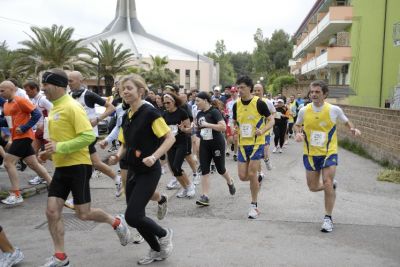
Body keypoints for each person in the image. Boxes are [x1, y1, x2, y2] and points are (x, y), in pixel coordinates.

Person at [38, 69, 130, 266]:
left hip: (78, 166)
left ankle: (115, 221)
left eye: (45, 85)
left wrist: (59, 147)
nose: (43, 89)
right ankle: (60, 256)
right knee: (52, 211)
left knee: (83, 214)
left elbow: (89, 137)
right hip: (61, 166)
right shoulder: (55, 107)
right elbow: (59, 139)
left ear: (55, 85)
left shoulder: (72, 107)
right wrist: (48, 152)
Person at [109, 74, 175, 265]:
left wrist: (154, 156)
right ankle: (156, 250)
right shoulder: (127, 114)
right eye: (123, 89)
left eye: (129, 88)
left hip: (149, 171)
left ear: (140, 91)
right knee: (135, 217)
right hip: (132, 170)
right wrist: (117, 156)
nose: (125, 91)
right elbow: (124, 142)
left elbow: (170, 138)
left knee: (132, 215)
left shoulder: (150, 113)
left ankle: (164, 234)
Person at [294, 80, 361, 233]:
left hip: (328, 152)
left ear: (325, 94)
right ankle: (331, 186)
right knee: (312, 187)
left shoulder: (334, 109)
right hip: (311, 153)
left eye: (317, 92)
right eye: (312, 92)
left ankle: (328, 218)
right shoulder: (304, 110)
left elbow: (346, 121)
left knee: (327, 181)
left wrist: (353, 129)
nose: (314, 94)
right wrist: (298, 133)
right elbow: (297, 124)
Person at [68, 71, 121, 199]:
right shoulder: (69, 95)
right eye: (67, 81)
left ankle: (78, 197)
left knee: (79, 165)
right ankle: (118, 180)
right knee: (96, 163)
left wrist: (97, 119)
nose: (69, 84)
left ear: (81, 81)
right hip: (75, 135)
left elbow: (111, 108)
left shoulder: (89, 95)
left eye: (71, 81)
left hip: (87, 135)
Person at [0, 81, 52, 206]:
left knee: (8, 162)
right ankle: (54, 185)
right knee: (33, 164)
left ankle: (16, 194)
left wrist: (24, 127)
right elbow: (8, 123)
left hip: (24, 136)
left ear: (11, 89)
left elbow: (37, 114)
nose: (0, 93)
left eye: (2, 90)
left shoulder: (21, 100)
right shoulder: (6, 105)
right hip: (17, 136)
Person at [233, 76, 274, 219]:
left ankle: (254, 206)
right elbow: (235, 122)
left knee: (251, 174)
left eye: (242, 87)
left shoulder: (259, 103)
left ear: (250, 88)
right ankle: (258, 179)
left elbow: (271, 120)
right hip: (243, 144)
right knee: (242, 176)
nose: (240, 90)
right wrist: (235, 129)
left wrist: (262, 131)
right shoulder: (236, 104)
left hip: (257, 143)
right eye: (238, 88)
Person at [195, 92, 235, 206]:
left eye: (198, 101)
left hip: (217, 143)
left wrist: (208, 124)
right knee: (204, 169)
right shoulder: (199, 114)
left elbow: (222, 127)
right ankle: (205, 196)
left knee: (220, 169)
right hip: (204, 144)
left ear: (205, 100)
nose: (196, 103)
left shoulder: (214, 112)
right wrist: (188, 129)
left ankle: (230, 181)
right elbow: (199, 129)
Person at [163, 92, 195, 198]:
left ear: (174, 102)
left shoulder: (182, 112)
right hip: (170, 144)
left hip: (182, 142)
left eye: (168, 102)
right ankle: (185, 188)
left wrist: (183, 129)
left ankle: (190, 186)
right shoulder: (164, 114)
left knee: (177, 166)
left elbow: (190, 130)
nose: (166, 105)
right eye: (165, 103)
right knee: (173, 169)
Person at [23, 81, 53, 185]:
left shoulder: (43, 99)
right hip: (39, 131)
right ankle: (42, 176)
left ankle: (64, 172)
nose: (26, 93)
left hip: (47, 130)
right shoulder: (34, 100)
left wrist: (45, 124)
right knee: (32, 153)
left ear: (34, 89)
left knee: (51, 154)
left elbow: (54, 111)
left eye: (28, 91)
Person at [253, 83, 276, 172]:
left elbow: (273, 112)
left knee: (265, 151)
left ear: (263, 91)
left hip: (265, 130)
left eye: (259, 90)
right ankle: (260, 172)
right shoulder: (251, 102)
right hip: (255, 132)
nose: (257, 92)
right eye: (255, 90)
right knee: (257, 154)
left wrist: (270, 119)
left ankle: (266, 160)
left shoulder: (267, 102)